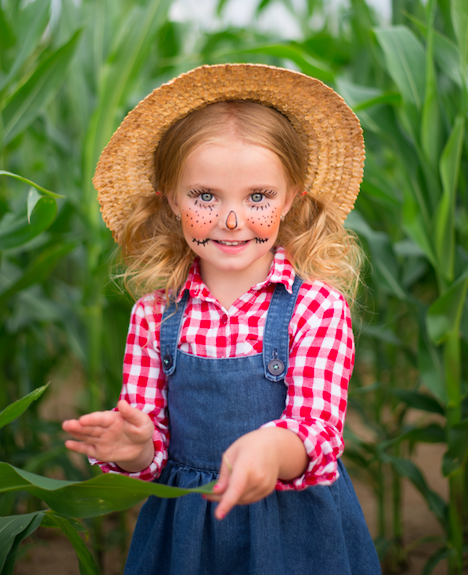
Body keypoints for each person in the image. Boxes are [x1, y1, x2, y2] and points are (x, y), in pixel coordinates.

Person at [62, 64, 381, 575]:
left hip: (295, 530)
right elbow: (154, 449)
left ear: (291, 199)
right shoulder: (154, 315)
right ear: (171, 199)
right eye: (205, 197)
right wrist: (136, 449)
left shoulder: (315, 307)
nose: (232, 221)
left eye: (258, 197)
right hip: (188, 531)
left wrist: (271, 451)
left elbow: (318, 432)